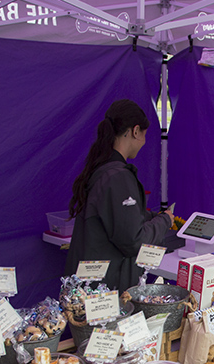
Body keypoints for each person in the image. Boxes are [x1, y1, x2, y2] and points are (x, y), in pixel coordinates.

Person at [65, 99, 173, 292]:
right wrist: (164, 221)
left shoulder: (100, 168)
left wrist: (149, 217)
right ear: (135, 131)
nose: (144, 142)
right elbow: (133, 241)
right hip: (105, 292)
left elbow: (116, 219)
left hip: (89, 287)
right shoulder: (118, 177)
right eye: (145, 135)